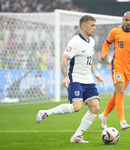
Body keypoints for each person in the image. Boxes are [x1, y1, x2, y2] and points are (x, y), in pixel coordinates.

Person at [36, 15, 104, 143]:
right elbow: (64, 61)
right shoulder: (75, 42)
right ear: (83, 26)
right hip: (76, 79)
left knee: (95, 107)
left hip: (88, 80)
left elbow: (89, 60)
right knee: (76, 107)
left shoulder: (92, 41)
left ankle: (76, 136)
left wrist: (96, 73)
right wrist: (66, 76)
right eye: (92, 25)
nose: (95, 28)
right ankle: (45, 112)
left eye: (95, 25)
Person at [98, 11, 130, 130]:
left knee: (117, 95)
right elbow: (106, 44)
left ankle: (103, 115)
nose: (128, 22)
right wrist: (104, 54)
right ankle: (122, 121)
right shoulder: (115, 32)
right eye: (126, 20)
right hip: (117, 65)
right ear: (123, 20)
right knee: (120, 91)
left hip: (129, 68)